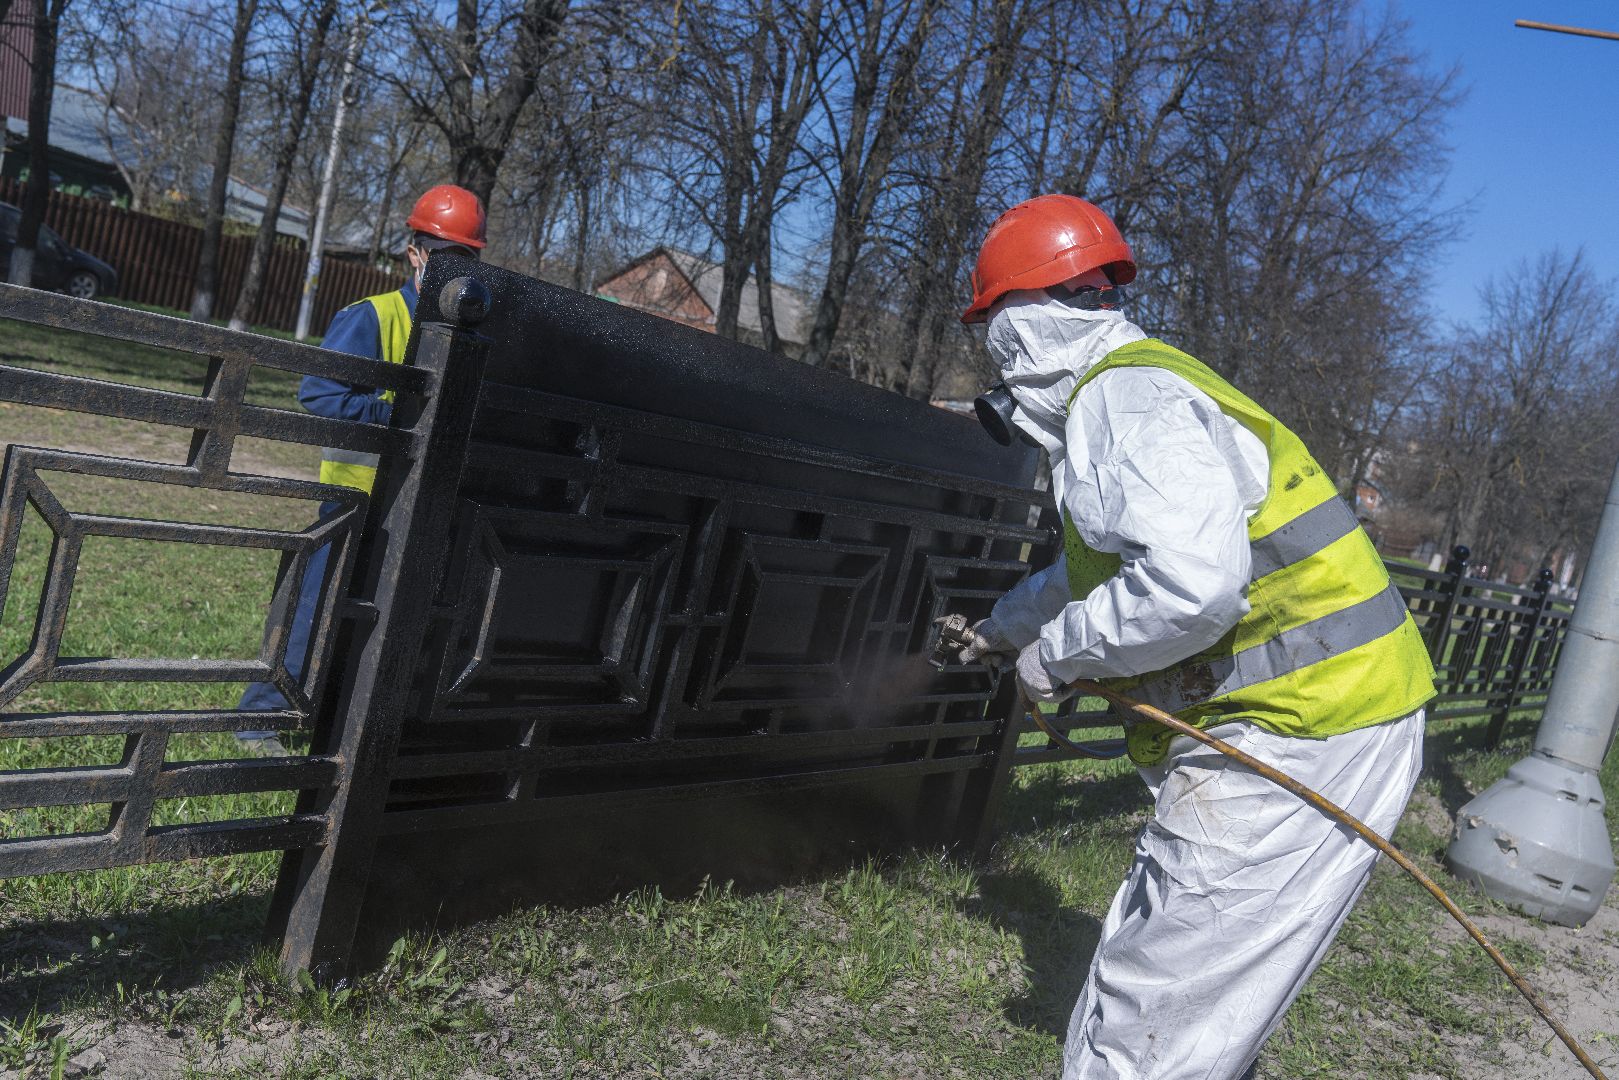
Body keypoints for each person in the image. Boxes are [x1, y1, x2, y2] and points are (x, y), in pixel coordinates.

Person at [947, 194, 1436, 1080]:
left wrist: (1057, 654)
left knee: (1157, 999)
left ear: (1018, 325)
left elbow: (1189, 587)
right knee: (1187, 986)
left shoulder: (1126, 399)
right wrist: (1001, 631)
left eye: (991, 328)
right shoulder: (1131, 390)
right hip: (1318, 714)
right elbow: (1090, 573)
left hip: (1306, 724)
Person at [236, 184, 486, 751]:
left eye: (465, 260)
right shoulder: (372, 316)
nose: (452, 271)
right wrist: (401, 414)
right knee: (316, 608)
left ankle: (356, 725)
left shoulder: (472, 336)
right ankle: (261, 718)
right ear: (414, 254)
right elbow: (320, 393)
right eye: (442, 257)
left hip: (424, 504)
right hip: (356, 498)